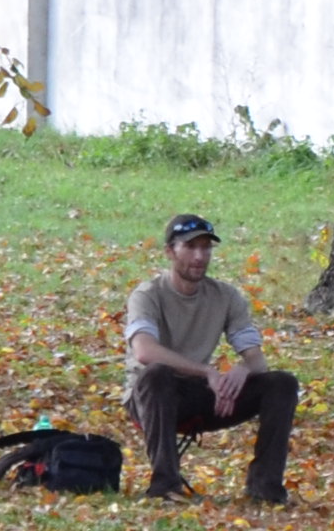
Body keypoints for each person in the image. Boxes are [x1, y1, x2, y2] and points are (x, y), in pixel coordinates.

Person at [125, 212, 300, 503]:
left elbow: (257, 359)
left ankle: (265, 488)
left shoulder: (225, 296)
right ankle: (165, 486)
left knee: (282, 383)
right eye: (190, 247)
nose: (199, 256)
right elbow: (144, 351)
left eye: (206, 247)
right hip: (150, 396)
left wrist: (242, 370)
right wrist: (208, 372)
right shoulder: (147, 295)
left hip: (202, 393)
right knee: (157, 374)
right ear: (170, 251)